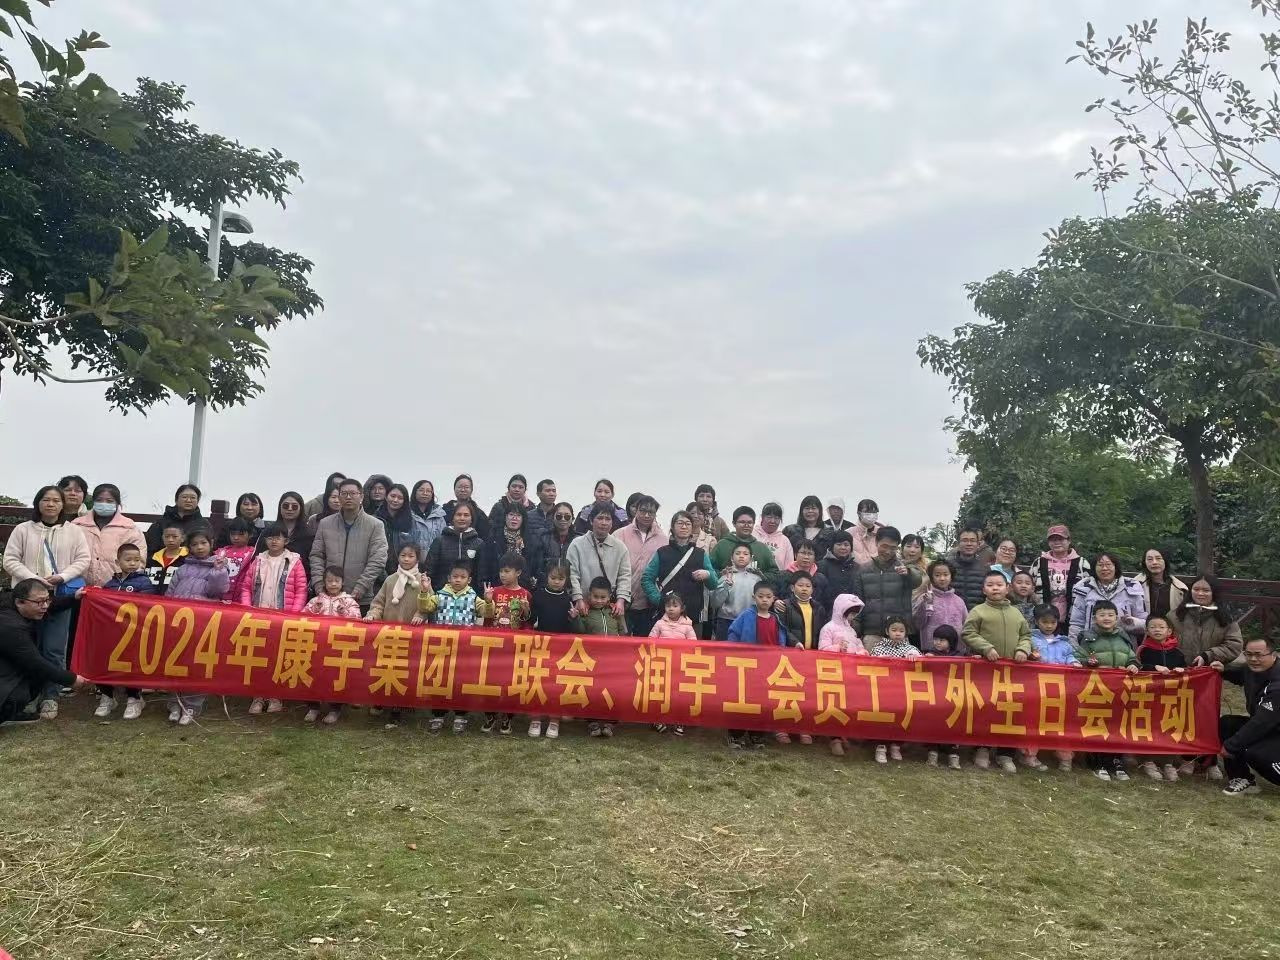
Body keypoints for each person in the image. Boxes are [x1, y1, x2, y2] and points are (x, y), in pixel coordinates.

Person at [2, 485, 89, 720]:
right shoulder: (23, 529)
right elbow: (10, 560)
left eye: (56, 500)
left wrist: (63, 576)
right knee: (27, 649)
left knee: (54, 648)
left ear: (63, 505)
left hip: (59, 596)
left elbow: (83, 559)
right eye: (46, 500)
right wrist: (33, 579)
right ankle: (28, 695)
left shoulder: (74, 531)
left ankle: (51, 696)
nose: (51, 504)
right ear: (38, 503)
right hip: (27, 599)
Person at [962, 571, 1032, 773]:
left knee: (1010, 711)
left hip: (1013, 673)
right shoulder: (978, 611)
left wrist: (1023, 650)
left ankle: (1005, 753)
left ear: (1007, 588)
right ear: (984, 589)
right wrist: (986, 648)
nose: (995, 588)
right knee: (985, 709)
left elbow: (1026, 635)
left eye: (999, 585)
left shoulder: (1016, 613)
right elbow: (968, 632)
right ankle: (982, 748)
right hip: (986, 671)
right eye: (990, 585)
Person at [239, 523, 310, 716]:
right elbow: (246, 588)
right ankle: (257, 695)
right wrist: (247, 609)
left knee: (279, 657)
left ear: (286, 540)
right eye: (270, 537)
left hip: (283, 619)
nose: (274, 541)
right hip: (259, 617)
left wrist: (293, 614)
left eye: (278, 537)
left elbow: (301, 590)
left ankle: (276, 696)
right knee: (258, 657)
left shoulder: (294, 561)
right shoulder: (258, 561)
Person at [0, 580, 89, 726]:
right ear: (19, 602)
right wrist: (71, 679)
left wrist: (74, 597)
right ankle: (7, 712)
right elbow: (35, 663)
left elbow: (49, 605)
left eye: (47, 600)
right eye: (40, 602)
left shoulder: (15, 602)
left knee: (34, 680)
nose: (45, 606)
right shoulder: (9, 625)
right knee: (19, 694)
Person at [165, 530, 231, 726]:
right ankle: (174, 703)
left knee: (197, 664)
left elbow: (218, 590)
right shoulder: (182, 569)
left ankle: (192, 705)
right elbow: (170, 593)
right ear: (189, 548)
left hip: (203, 623)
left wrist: (218, 571)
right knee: (175, 661)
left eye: (203, 543)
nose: (199, 547)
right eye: (194, 544)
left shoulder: (217, 567)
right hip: (178, 622)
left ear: (211, 544)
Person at [366, 543, 432, 730]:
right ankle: (381, 700)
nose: (406, 559)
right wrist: (373, 614)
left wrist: (420, 615)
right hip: (389, 633)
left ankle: (398, 708)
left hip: (412, 635)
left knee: (405, 671)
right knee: (385, 667)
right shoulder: (390, 580)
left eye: (411, 556)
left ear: (417, 559)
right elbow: (379, 603)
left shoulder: (423, 581)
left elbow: (429, 604)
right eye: (403, 555)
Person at [1076, 600, 1141, 782]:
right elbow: (1079, 658)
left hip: (1120, 690)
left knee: (1118, 724)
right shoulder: (1088, 638)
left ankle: (1116, 760)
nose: (1107, 618)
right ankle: (1097, 762)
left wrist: (1133, 665)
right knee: (1097, 724)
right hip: (1097, 690)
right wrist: (1088, 663)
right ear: (1094, 618)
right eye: (1102, 615)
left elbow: (1132, 657)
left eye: (1111, 615)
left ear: (1117, 618)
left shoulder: (1123, 637)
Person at [88, 543, 154, 720]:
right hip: (112, 634)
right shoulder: (110, 584)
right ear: (118, 562)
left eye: (136, 560)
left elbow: (148, 605)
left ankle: (134, 698)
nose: (133, 563)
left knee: (132, 665)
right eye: (128, 560)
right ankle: (107, 696)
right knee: (105, 663)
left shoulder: (144, 582)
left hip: (134, 632)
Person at [309, 478, 389, 610]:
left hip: (361, 599)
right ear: (339, 497)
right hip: (328, 597)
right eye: (344, 493)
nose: (348, 497)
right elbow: (316, 556)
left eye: (353, 493)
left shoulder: (375, 525)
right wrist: (319, 585)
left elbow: (378, 560)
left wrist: (361, 588)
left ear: (361, 496)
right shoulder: (325, 524)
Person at [726, 581, 785, 748]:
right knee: (742, 701)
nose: (764, 600)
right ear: (754, 597)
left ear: (773, 599)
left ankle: (756, 735)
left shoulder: (775, 619)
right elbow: (733, 633)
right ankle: (735, 735)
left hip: (767, 669)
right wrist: (735, 654)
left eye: (768, 597)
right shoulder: (746, 615)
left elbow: (781, 640)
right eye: (761, 596)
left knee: (763, 702)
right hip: (746, 667)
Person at [1219, 636, 1280, 796]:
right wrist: (1221, 670)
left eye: (1259, 655)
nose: (1253, 659)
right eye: (1248, 654)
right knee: (1228, 723)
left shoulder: (1277, 685)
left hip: (1272, 729)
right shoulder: (1251, 669)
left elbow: (1261, 723)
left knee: (1255, 753)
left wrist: (1230, 746)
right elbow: (1240, 675)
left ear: (1274, 655)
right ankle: (1243, 779)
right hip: (1270, 729)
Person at [302, 566, 362, 726]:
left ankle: (335, 708)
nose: (333, 584)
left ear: (342, 582)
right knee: (313, 675)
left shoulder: (349, 602)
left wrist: (344, 613)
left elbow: (358, 621)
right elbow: (302, 618)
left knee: (336, 678)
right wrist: (314, 611)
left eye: (336, 581)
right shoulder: (316, 600)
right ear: (324, 582)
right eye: (329, 581)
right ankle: (313, 707)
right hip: (317, 647)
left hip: (338, 648)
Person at [642, 511, 718, 635]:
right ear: (672, 527)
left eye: (688, 524)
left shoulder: (700, 554)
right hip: (666, 617)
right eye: (680, 523)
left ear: (692, 528)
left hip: (693, 618)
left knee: (692, 647)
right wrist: (659, 600)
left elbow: (714, 584)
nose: (684, 526)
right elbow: (646, 579)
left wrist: (708, 575)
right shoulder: (662, 552)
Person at [481, 552, 532, 735]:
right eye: (501, 571)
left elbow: (527, 622)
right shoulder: (493, 591)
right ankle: (490, 715)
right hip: (493, 645)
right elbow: (486, 617)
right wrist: (487, 601)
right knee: (490, 680)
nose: (503, 575)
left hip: (513, 647)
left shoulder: (525, 594)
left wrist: (526, 610)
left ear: (518, 572)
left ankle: (507, 717)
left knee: (510, 682)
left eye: (507, 571)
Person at [571, 577, 627, 738]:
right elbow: (580, 632)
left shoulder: (615, 612)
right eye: (595, 596)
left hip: (613, 660)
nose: (599, 600)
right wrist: (575, 618)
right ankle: (592, 721)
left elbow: (624, 633)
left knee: (613, 689)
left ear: (609, 596)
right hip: (593, 659)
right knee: (592, 690)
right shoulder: (586, 612)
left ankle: (610, 722)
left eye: (603, 597)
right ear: (589, 595)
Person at [1028, 604, 1079, 773]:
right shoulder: (1030, 639)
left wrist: (1074, 663)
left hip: (1061, 690)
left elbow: (1070, 656)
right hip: (1037, 688)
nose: (1049, 625)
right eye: (1045, 622)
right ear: (1037, 621)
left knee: (1062, 722)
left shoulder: (1064, 642)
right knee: (1034, 720)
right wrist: (1031, 657)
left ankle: (1064, 755)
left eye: (1053, 622)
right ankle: (1029, 753)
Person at [1136, 614, 1186, 782]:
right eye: (1153, 627)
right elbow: (1138, 667)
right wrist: (1153, 667)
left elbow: (1186, 670)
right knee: (1149, 727)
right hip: (1149, 696)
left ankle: (1168, 762)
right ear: (1147, 631)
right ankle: (1148, 760)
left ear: (1169, 631)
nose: (1157, 630)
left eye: (1161, 627)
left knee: (1169, 726)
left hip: (1171, 697)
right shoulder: (1143, 650)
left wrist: (1181, 670)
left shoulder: (1177, 652)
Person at [528, 562, 574, 739]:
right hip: (540, 646)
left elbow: (572, 628)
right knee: (538, 681)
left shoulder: (568, 599)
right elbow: (530, 620)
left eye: (560, 578)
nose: (556, 581)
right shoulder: (538, 596)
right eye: (553, 578)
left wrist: (574, 618)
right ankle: (536, 718)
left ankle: (555, 719)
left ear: (566, 580)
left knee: (557, 684)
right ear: (547, 577)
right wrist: (526, 610)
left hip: (561, 648)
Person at [851, 526, 921, 641]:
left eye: (893, 548)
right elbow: (858, 602)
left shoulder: (904, 567)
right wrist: (856, 629)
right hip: (871, 632)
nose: (888, 551)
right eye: (884, 546)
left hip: (899, 633)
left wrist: (908, 573)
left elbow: (917, 581)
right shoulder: (863, 570)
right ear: (876, 542)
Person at [818, 593, 866, 757]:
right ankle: (834, 738)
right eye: (849, 612)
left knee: (847, 704)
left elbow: (858, 645)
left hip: (850, 672)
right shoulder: (828, 628)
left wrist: (862, 651)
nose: (852, 616)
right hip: (834, 673)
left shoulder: (851, 630)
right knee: (834, 705)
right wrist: (838, 648)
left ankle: (843, 733)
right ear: (840, 610)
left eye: (854, 613)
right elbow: (822, 650)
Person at [72, 483, 147, 587]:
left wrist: (125, 585)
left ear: (117, 503)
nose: (104, 504)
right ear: (93, 501)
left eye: (109, 501)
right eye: (99, 500)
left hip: (116, 590)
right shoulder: (77, 525)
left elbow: (139, 561)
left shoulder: (130, 528)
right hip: (78, 588)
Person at [614, 494, 668, 636]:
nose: (646, 515)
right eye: (643, 511)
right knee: (622, 641)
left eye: (651, 512)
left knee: (643, 642)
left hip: (648, 603)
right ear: (635, 510)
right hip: (621, 600)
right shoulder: (620, 534)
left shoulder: (663, 540)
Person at [566, 504, 631, 621]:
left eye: (608, 519)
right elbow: (572, 574)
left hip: (609, 609)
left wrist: (621, 601)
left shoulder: (620, 547)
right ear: (591, 520)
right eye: (600, 518)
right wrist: (578, 599)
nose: (604, 523)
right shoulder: (577, 544)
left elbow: (624, 576)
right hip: (583, 608)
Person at [869, 615, 919, 764]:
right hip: (883, 690)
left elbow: (921, 667)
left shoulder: (912, 649)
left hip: (903, 691)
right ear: (887, 631)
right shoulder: (878, 648)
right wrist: (881, 660)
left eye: (901, 631)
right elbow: (870, 665)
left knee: (900, 717)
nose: (898, 633)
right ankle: (881, 746)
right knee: (883, 717)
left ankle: (896, 745)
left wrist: (916, 657)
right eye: (894, 630)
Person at [1068, 552, 1148, 644]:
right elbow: (1076, 624)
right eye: (1100, 565)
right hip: (1090, 646)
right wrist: (1075, 649)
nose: (1105, 568)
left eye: (1108, 564)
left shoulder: (1132, 587)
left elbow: (1145, 623)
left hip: (1124, 647)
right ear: (1094, 568)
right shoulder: (1084, 588)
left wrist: (1132, 622)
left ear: (1116, 567)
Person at [1168, 575, 1244, 669]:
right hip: (1178, 671)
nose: (1200, 593)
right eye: (1196, 589)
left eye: (1206, 590)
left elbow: (1234, 645)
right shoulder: (1175, 615)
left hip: (1209, 671)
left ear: (1214, 592)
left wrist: (1208, 655)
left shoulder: (1225, 617)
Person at [1033, 524, 1091, 631]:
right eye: (1053, 539)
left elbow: (1090, 589)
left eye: (1060, 539)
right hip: (1043, 619)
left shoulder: (1082, 563)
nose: (1056, 542)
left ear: (1069, 541)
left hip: (1073, 618)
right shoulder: (1039, 562)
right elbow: (1031, 585)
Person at [922, 624, 963, 769]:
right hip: (935, 695)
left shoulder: (959, 656)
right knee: (934, 722)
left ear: (951, 641)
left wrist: (975, 659)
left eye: (942, 640)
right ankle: (932, 751)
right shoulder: (930, 654)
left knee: (953, 723)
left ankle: (953, 753)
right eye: (936, 639)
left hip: (953, 696)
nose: (937, 642)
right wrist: (927, 659)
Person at [424, 502, 487, 592]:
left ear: (471, 519)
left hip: (469, 596)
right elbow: (429, 570)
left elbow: (481, 574)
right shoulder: (440, 541)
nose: (462, 518)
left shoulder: (478, 544)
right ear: (453, 518)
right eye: (458, 515)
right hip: (442, 593)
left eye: (466, 515)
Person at [913, 559, 969, 655]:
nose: (942, 578)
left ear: (951, 576)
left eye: (945, 575)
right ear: (932, 577)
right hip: (931, 652)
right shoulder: (925, 598)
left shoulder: (959, 601)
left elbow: (967, 626)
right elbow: (918, 624)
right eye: (937, 575)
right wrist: (924, 604)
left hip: (956, 652)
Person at [711, 544, 764, 641]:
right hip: (726, 620)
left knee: (746, 649)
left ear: (751, 558)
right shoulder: (725, 577)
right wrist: (725, 586)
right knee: (724, 649)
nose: (741, 556)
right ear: (732, 558)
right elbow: (715, 603)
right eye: (738, 553)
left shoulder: (757, 579)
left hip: (749, 620)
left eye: (745, 554)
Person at [708, 507, 778, 574]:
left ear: (754, 524)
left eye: (750, 522)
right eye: (742, 522)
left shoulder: (762, 548)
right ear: (734, 523)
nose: (746, 525)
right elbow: (709, 570)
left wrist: (760, 576)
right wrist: (721, 574)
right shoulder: (722, 545)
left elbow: (774, 572)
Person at [484, 502, 535, 589]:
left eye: (518, 515)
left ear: (523, 519)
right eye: (511, 514)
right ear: (505, 517)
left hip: (521, 588)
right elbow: (485, 566)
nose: (514, 518)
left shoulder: (529, 540)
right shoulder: (493, 538)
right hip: (496, 586)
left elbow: (531, 566)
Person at [145, 483, 206, 554]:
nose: (188, 500)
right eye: (184, 497)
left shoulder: (203, 524)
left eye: (193, 498)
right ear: (176, 500)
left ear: (197, 501)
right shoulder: (161, 523)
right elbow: (151, 547)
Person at [1134, 548, 1187, 621]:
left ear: (1165, 561)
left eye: (1158, 558)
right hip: (1142, 626)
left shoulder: (1180, 588)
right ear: (1144, 563)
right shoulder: (1135, 585)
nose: (1154, 562)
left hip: (1170, 627)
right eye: (1150, 559)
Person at [213, 518, 257, 602]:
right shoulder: (222, 552)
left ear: (250, 534)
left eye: (241, 534)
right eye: (233, 534)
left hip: (241, 596)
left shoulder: (253, 553)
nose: (236, 537)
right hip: (221, 596)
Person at [262, 491, 314, 561]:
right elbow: (259, 556)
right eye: (285, 506)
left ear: (301, 509)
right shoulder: (268, 531)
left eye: (294, 506)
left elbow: (312, 560)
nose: (290, 509)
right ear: (280, 507)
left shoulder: (309, 534)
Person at [535, 502, 580, 584]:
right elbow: (538, 565)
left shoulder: (578, 540)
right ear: (553, 517)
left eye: (567, 517)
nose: (563, 519)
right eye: (559, 516)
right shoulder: (543, 537)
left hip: (571, 585)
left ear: (572, 519)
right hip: (547, 584)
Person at [946, 526, 990, 610]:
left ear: (978, 544)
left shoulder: (985, 568)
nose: (969, 544)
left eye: (972, 541)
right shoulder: (947, 566)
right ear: (958, 543)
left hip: (977, 615)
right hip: (952, 614)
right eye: (965, 540)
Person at [377, 483, 415, 575]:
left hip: (402, 572)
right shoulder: (375, 519)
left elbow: (414, 549)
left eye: (400, 498)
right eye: (392, 496)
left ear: (405, 501)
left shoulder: (411, 522)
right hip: (378, 570)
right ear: (386, 497)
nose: (395, 500)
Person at [408, 480, 447, 562]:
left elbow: (444, 540)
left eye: (428, 491)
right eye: (421, 490)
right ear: (415, 492)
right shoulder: (406, 513)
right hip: (410, 561)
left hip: (435, 561)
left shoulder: (439, 515)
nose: (425, 493)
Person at [443, 473, 490, 541]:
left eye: (466, 487)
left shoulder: (479, 514)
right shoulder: (444, 511)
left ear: (471, 490)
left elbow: (485, 538)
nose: (463, 490)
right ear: (454, 489)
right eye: (459, 487)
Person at [145, 523, 188, 594]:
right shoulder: (152, 559)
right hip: (150, 598)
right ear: (162, 538)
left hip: (175, 599)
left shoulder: (188, 560)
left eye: (175, 536)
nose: (170, 540)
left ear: (183, 538)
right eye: (167, 536)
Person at [818, 530, 859, 603]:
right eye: (839, 544)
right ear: (832, 546)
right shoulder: (821, 566)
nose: (843, 547)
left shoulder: (857, 568)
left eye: (846, 545)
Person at [754, 503, 795, 571]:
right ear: (762, 517)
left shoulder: (785, 541)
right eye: (769, 517)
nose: (772, 521)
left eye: (776, 518)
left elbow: (789, 567)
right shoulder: (752, 534)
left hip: (777, 577)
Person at [850, 498, 882, 566]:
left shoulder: (882, 533)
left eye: (874, 512)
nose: (871, 515)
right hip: (856, 571)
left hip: (878, 571)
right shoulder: (849, 533)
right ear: (859, 513)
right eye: (867, 512)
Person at [901, 534, 929, 600]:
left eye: (917, 547)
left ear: (921, 552)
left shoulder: (928, 570)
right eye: (908, 546)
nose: (912, 550)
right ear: (902, 549)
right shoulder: (894, 566)